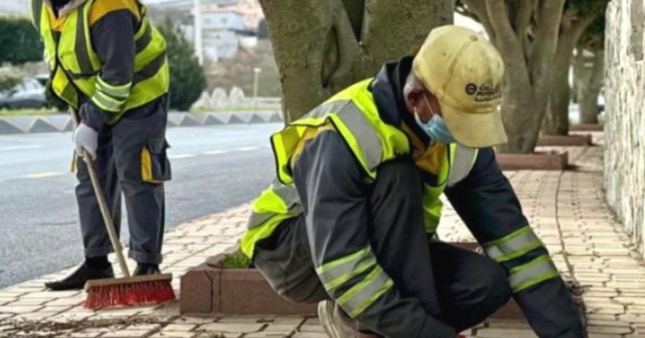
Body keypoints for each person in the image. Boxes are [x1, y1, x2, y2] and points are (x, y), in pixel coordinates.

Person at [240, 26, 584, 337]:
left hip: (389, 249)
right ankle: (368, 325)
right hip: (296, 254)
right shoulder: (342, 132)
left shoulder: (464, 144)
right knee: (396, 176)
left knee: (485, 283)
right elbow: (341, 265)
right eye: (459, 120)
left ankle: (359, 321)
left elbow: (516, 245)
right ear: (415, 98)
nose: (465, 135)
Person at [26, 0, 171, 290]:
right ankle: (96, 263)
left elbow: (119, 77)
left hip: (139, 93)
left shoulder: (110, 2)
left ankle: (147, 266)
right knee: (90, 175)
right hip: (89, 96)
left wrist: (91, 122)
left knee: (136, 174)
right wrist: (79, 105)